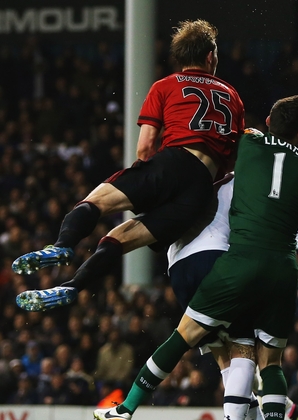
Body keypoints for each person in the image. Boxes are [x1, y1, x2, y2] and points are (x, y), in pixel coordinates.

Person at [94, 95, 298, 420]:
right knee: (257, 357)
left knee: (199, 345)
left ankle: (128, 407)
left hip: (190, 261)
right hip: (271, 266)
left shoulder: (243, 148)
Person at [14, 20, 245, 311]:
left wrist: (147, 182)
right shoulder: (232, 96)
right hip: (201, 190)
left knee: (95, 202)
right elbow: (234, 157)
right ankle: (70, 287)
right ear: (210, 56)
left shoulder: (165, 86)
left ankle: (61, 247)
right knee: (119, 240)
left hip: (172, 163)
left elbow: (146, 146)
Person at [166, 171, 298, 420]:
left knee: (247, 364)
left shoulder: (281, 212)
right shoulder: (236, 198)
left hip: (257, 290)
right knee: (243, 366)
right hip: (234, 283)